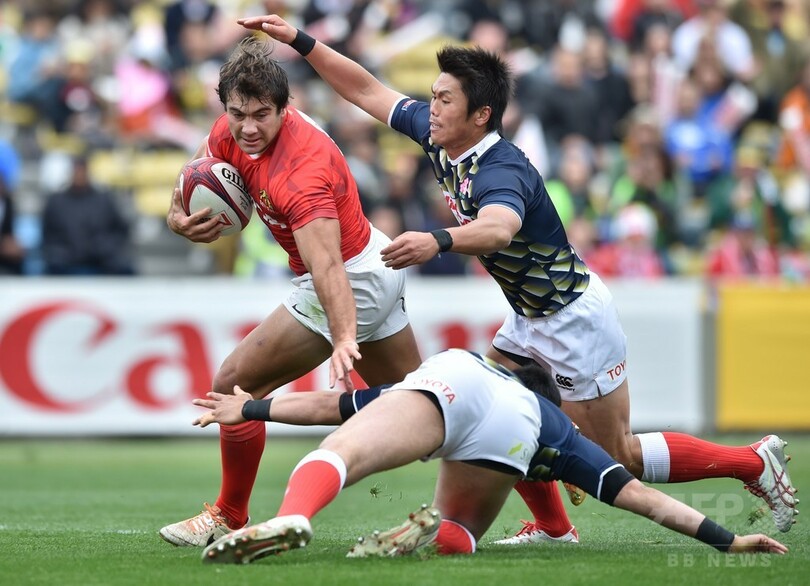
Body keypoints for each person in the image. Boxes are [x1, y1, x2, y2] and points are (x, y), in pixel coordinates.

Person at [238, 14, 799, 544]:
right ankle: (554, 528)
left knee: (618, 457)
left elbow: (499, 228)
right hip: (529, 317)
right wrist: (301, 41)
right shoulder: (441, 137)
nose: (431, 108)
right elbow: (365, 90)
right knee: (497, 415)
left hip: (575, 320)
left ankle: (750, 461)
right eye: (433, 95)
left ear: (480, 115)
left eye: (445, 99)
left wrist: (438, 240)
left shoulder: (501, 168)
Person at [159, 35, 423, 547]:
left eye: (262, 115)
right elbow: (192, 175)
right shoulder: (230, 130)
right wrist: (175, 215)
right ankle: (549, 511)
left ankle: (228, 515)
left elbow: (327, 266)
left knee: (234, 382)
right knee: (430, 403)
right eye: (238, 113)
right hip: (371, 260)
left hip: (353, 278)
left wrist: (344, 338)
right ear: (226, 106)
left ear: (286, 108)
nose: (248, 127)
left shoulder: (300, 173)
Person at [190, 349, 789, 562]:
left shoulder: (477, 365)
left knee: (340, 451)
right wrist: (729, 540)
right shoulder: (556, 427)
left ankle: (294, 516)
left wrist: (250, 409)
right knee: (459, 531)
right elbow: (642, 499)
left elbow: (333, 405)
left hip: (455, 379)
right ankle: (433, 533)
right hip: (513, 434)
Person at [41, 155, 135, 276]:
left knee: (125, 268)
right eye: (76, 172)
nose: (79, 176)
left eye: (82, 172)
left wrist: (105, 247)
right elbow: (48, 234)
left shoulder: (104, 200)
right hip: (66, 261)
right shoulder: (56, 202)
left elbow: (121, 230)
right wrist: (61, 251)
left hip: (101, 260)